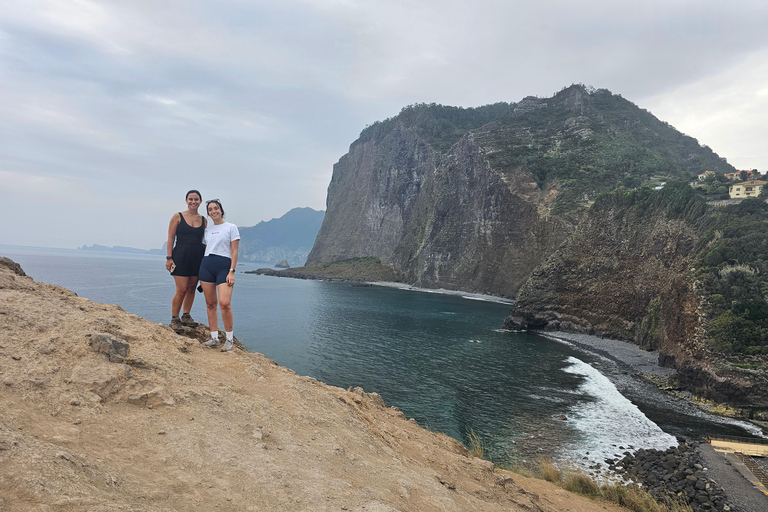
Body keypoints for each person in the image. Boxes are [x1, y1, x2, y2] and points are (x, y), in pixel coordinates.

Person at [199, 199, 240, 352]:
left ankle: (229, 339)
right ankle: (214, 337)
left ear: (221, 210)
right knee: (210, 304)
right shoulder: (207, 231)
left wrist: (232, 271)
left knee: (224, 303)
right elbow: (205, 248)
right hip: (206, 266)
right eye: (210, 209)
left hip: (224, 267)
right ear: (208, 213)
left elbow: (234, 251)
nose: (213, 211)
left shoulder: (231, 227)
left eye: (216, 208)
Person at [166, 190, 206, 333]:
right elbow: (170, 238)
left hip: (198, 257)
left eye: (196, 199)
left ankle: (186, 315)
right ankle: (174, 319)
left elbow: (206, 241)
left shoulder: (204, 220)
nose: (193, 202)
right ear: (186, 200)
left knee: (191, 288)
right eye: (191, 199)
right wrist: (169, 258)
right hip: (181, 255)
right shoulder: (178, 216)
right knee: (181, 289)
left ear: (200, 201)